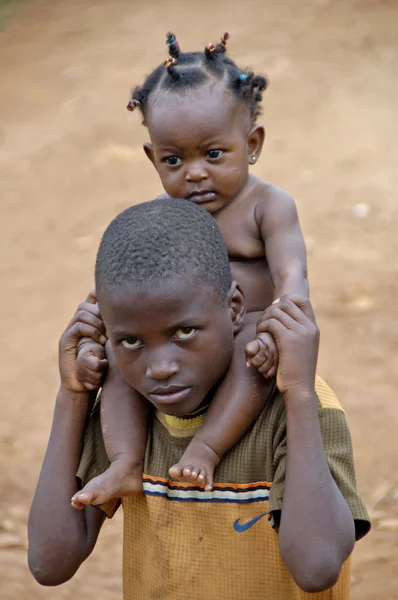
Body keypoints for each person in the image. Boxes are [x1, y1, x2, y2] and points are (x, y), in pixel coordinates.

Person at [28, 199, 369, 599]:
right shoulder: (129, 417)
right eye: (131, 341)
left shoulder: (297, 408)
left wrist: (298, 394)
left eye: (185, 332)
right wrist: (72, 396)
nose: (160, 368)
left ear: (235, 308)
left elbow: (316, 567)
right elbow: (49, 563)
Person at [73, 32, 312, 505]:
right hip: (180, 342)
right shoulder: (162, 214)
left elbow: (292, 275)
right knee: (124, 364)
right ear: (152, 158)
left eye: (214, 154)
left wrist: (277, 330)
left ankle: (206, 449)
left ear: (253, 143)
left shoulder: (268, 205)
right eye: (174, 160)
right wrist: (93, 341)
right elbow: (126, 293)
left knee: (250, 360)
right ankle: (124, 463)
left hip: (250, 335)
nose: (195, 173)